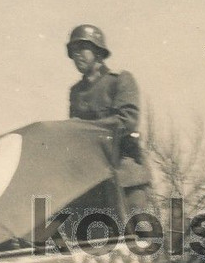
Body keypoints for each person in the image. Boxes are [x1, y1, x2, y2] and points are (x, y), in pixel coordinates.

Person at [65, 24, 151, 212]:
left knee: (140, 237)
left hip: (126, 175)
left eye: (82, 48)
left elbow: (127, 121)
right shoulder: (76, 93)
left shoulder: (120, 80)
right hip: (95, 180)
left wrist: (88, 130)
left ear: (97, 51)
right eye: (73, 51)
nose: (77, 55)